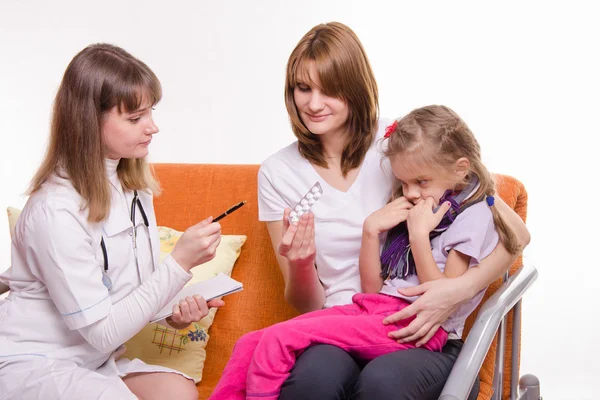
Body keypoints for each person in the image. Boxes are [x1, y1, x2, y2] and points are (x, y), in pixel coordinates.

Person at [253, 22, 529, 400]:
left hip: (421, 324)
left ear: (355, 88)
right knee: (313, 383)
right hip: (340, 323)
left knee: (383, 383)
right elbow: (307, 304)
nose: (313, 104)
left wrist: (457, 290)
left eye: (329, 90)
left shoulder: (395, 143)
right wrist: (302, 263)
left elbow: (505, 226)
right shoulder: (276, 173)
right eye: (303, 88)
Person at [210, 104, 521, 400]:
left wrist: (418, 235)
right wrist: (371, 231)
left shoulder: (472, 215)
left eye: (420, 182)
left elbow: (438, 295)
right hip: (373, 308)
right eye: (404, 183)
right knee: (250, 342)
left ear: (460, 170)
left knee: (279, 339)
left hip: (414, 324)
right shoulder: (419, 197)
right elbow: (372, 288)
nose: (410, 192)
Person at [0, 44, 224, 400]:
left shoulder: (134, 188)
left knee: (178, 393)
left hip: (94, 359)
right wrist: (179, 263)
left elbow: (128, 293)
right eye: (135, 118)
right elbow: (103, 330)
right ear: (88, 120)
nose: (153, 127)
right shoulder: (55, 210)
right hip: (33, 359)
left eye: (150, 112)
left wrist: (175, 311)